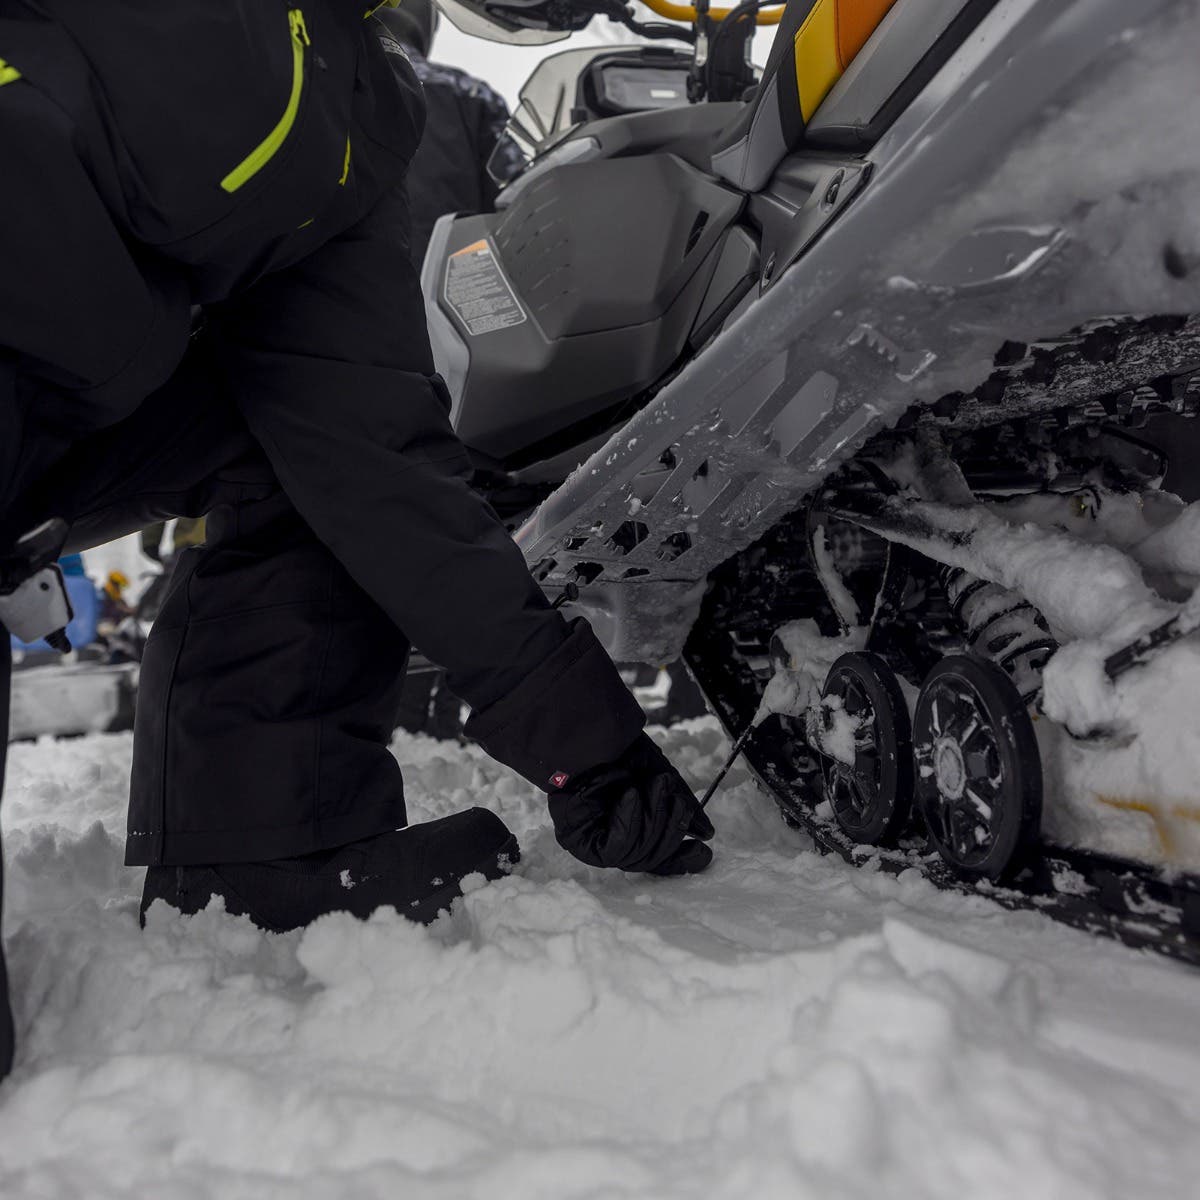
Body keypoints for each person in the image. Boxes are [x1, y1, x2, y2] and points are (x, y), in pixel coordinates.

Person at [0, 0, 714, 1079]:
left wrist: (587, 745)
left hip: (41, 405)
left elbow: (363, 450)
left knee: (280, 439)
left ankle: (260, 842)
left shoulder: (352, 121)